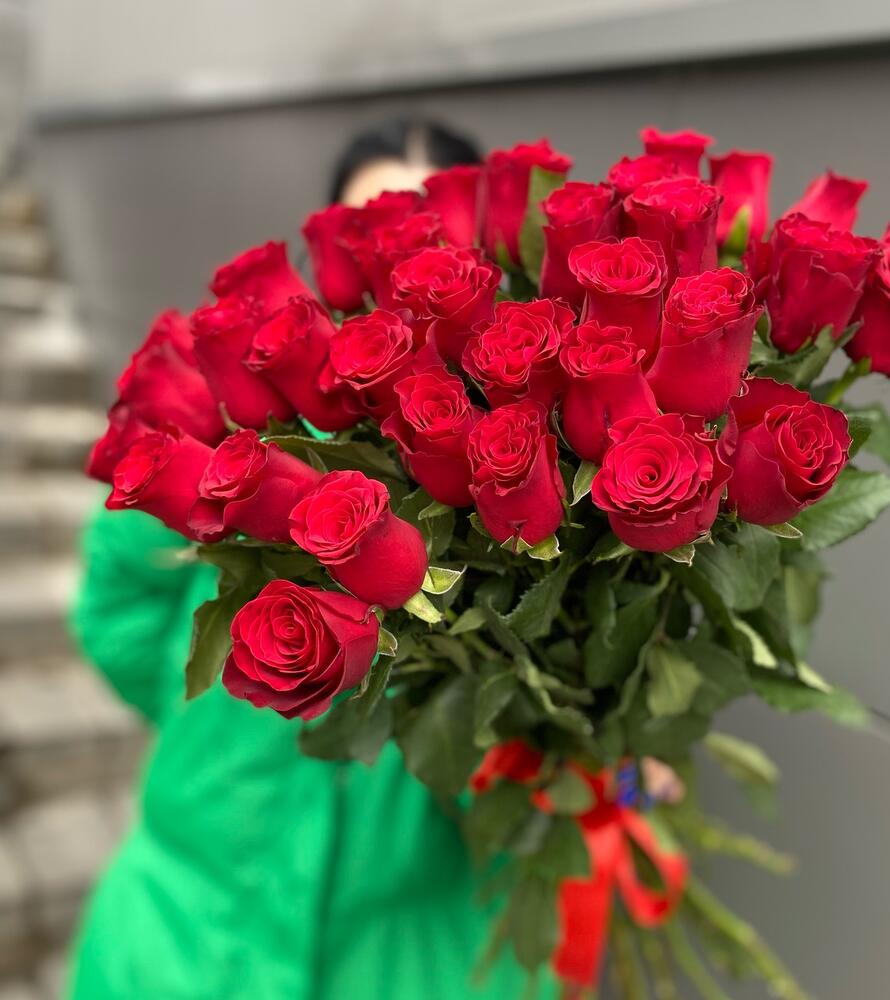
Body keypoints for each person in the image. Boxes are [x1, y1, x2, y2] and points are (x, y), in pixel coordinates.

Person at [68, 118, 555, 1000]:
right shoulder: (242, 422)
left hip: (421, 957)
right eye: (370, 231)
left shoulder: (524, 460)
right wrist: (209, 706)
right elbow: (121, 605)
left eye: (427, 237)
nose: (398, 266)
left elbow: (552, 732)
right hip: (182, 939)